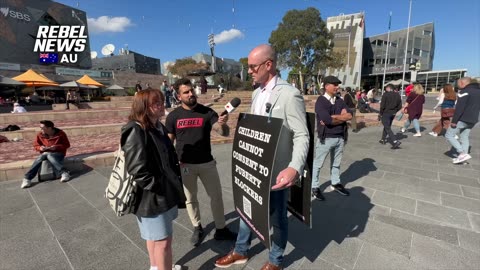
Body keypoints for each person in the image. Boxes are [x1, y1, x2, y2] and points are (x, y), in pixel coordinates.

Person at [215, 44, 309, 270]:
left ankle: (276, 260)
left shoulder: (289, 94)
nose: (249, 72)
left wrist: (294, 167)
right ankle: (240, 251)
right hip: (253, 169)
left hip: (276, 171)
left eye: (252, 67)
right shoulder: (256, 93)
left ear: (269, 65)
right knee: (247, 211)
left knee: (278, 219)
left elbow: (302, 134)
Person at [165, 78, 236, 247]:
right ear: (178, 95)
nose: (190, 94)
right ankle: (197, 227)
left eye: (191, 90)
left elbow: (222, 132)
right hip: (185, 165)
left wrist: (222, 125)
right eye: (186, 92)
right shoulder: (173, 116)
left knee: (216, 197)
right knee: (190, 199)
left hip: (207, 163)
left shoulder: (207, 112)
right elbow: (169, 143)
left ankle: (221, 229)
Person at [122, 89, 186, 270]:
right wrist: (158, 187)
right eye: (156, 103)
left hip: (161, 192)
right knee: (163, 241)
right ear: (144, 107)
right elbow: (137, 169)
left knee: (154, 237)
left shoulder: (157, 126)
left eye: (161, 101)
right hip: (152, 197)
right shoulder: (135, 129)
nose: (161, 105)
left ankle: (155, 266)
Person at [310, 76, 352, 201]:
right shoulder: (321, 101)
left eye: (337, 84)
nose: (337, 87)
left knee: (336, 163)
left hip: (340, 137)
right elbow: (327, 120)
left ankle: (335, 182)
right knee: (318, 164)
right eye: (334, 84)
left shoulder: (339, 100)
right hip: (326, 138)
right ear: (326, 86)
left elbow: (350, 115)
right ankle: (314, 187)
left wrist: (335, 117)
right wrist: (340, 117)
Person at [21, 120, 71, 189]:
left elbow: (67, 145)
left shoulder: (60, 133)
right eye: (40, 127)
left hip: (58, 153)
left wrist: (56, 147)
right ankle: (27, 179)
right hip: (45, 153)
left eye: (42, 128)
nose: (41, 129)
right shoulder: (40, 134)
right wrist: (40, 148)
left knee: (49, 155)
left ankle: (64, 173)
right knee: (42, 157)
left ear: (49, 128)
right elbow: (36, 145)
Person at [445, 77, 480, 164]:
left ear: (462, 82)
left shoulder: (464, 92)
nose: (457, 85)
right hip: (473, 119)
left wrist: (454, 121)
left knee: (449, 135)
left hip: (463, 119)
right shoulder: (478, 91)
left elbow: (459, 108)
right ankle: (463, 158)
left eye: (458, 83)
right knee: (464, 137)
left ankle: (462, 153)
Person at [378, 84, 402, 149]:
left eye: (386, 88)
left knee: (387, 127)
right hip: (393, 113)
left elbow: (382, 106)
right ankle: (383, 139)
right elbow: (400, 106)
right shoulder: (397, 95)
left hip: (386, 113)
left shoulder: (385, 95)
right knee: (387, 126)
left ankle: (395, 141)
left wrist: (380, 113)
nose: (385, 89)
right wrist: (395, 111)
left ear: (388, 88)